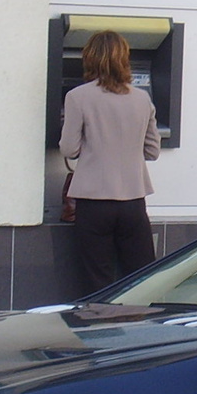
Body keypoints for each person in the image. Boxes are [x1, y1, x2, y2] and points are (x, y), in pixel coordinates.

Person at [58, 30, 161, 297]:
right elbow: (152, 151)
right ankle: (139, 329)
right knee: (139, 278)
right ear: (124, 59)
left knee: (97, 280)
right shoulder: (142, 98)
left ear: (89, 58)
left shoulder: (77, 96)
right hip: (133, 201)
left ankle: (101, 331)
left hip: (93, 202)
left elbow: (69, 148)